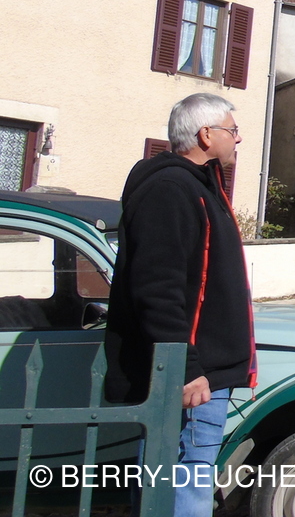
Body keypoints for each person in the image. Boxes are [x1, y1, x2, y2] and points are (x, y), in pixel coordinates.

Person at [105, 93, 255, 517]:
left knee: (182, 478)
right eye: (232, 129)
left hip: (204, 372)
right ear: (206, 135)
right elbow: (158, 288)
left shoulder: (199, 186)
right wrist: (187, 369)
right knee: (184, 481)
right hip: (191, 377)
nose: (238, 138)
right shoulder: (170, 189)